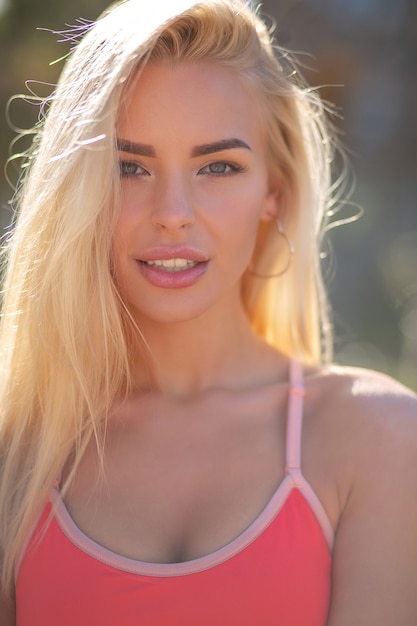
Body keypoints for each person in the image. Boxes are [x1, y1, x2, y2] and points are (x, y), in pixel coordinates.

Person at [1, 0, 416, 623]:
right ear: (80, 190)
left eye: (218, 166)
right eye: (128, 167)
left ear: (273, 191)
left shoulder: (379, 439)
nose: (173, 211)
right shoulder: (21, 456)